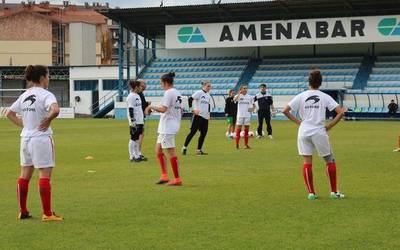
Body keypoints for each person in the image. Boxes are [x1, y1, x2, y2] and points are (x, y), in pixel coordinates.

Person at [6, 65, 63, 221]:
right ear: (43, 77)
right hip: (41, 139)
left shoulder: (25, 95)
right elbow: (56, 110)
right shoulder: (46, 94)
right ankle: (47, 213)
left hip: (25, 139)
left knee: (24, 175)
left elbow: (9, 113)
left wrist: (24, 125)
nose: (49, 78)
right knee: (44, 175)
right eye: (48, 75)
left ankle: (23, 211)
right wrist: (48, 119)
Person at [282, 70, 346, 200]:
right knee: (329, 160)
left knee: (307, 162)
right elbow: (340, 112)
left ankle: (311, 193)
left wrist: (299, 123)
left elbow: (285, 110)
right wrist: (329, 126)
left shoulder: (301, 95)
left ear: (309, 82)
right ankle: (334, 192)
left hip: (304, 131)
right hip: (318, 131)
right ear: (320, 83)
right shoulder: (324, 96)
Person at [145, 72, 183, 186]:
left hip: (168, 127)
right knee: (158, 150)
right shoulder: (176, 92)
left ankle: (177, 179)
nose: (160, 85)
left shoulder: (168, 93)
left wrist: (151, 107)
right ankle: (164, 176)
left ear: (166, 82)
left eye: (161, 83)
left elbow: (163, 109)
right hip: (167, 126)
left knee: (170, 152)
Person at [182, 81, 212, 155]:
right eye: (208, 86)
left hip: (205, 117)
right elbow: (190, 99)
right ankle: (184, 147)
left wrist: (208, 114)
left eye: (210, 86)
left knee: (203, 134)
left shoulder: (208, 95)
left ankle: (199, 150)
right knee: (192, 133)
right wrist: (192, 109)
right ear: (204, 86)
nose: (209, 88)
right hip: (198, 116)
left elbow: (208, 106)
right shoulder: (199, 93)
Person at [127, 80, 145, 162]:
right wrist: (132, 119)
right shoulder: (131, 96)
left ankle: (137, 155)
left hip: (140, 120)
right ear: (136, 87)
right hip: (135, 121)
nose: (140, 88)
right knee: (133, 138)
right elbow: (131, 108)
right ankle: (131, 156)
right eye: (139, 86)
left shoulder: (137, 95)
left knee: (137, 138)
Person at [234, 85, 255, 149]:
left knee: (246, 131)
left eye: (246, 88)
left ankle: (246, 145)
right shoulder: (238, 96)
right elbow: (235, 100)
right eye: (244, 88)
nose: (246, 89)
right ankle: (237, 145)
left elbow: (254, 104)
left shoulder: (250, 97)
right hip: (240, 115)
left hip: (247, 115)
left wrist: (252, 109)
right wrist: (239, 93)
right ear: (241, 89)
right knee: (238, 130)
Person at [138, 80, 151, 160]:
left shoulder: (139, 93)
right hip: (139, 118)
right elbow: (142, 104)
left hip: (141, 116)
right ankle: (137, 153)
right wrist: (148, 103)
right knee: (139, 135)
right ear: (140, 85)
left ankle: (137, 153)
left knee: (140, 135)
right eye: (144, 84)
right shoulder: (139, 93)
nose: (146, 85)